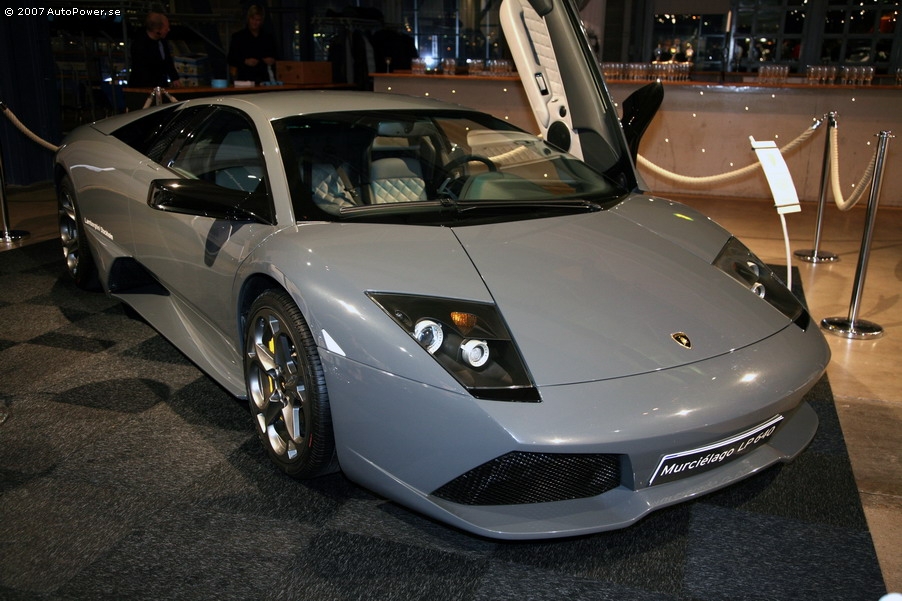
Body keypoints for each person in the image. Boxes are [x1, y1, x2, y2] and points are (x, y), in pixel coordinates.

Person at [228, 5, 279, 84]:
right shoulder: (238, 37)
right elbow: (231, 58)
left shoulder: (268, 37)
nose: (255, 22)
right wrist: (245, 61)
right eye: (253, 19)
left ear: (261, 21)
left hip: (264, 79)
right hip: (245, 79)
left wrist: (272, 60)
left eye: (258, 20)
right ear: (248, 19)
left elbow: (276, 56)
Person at [129, 12, 181, 88]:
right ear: (157, 30)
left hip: (160, 84)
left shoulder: (162, 41)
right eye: (166, 28)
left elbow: (167, 61)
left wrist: (174, 78)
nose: (168, 30)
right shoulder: (139, 44)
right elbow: (142, 70)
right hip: (144, 86)